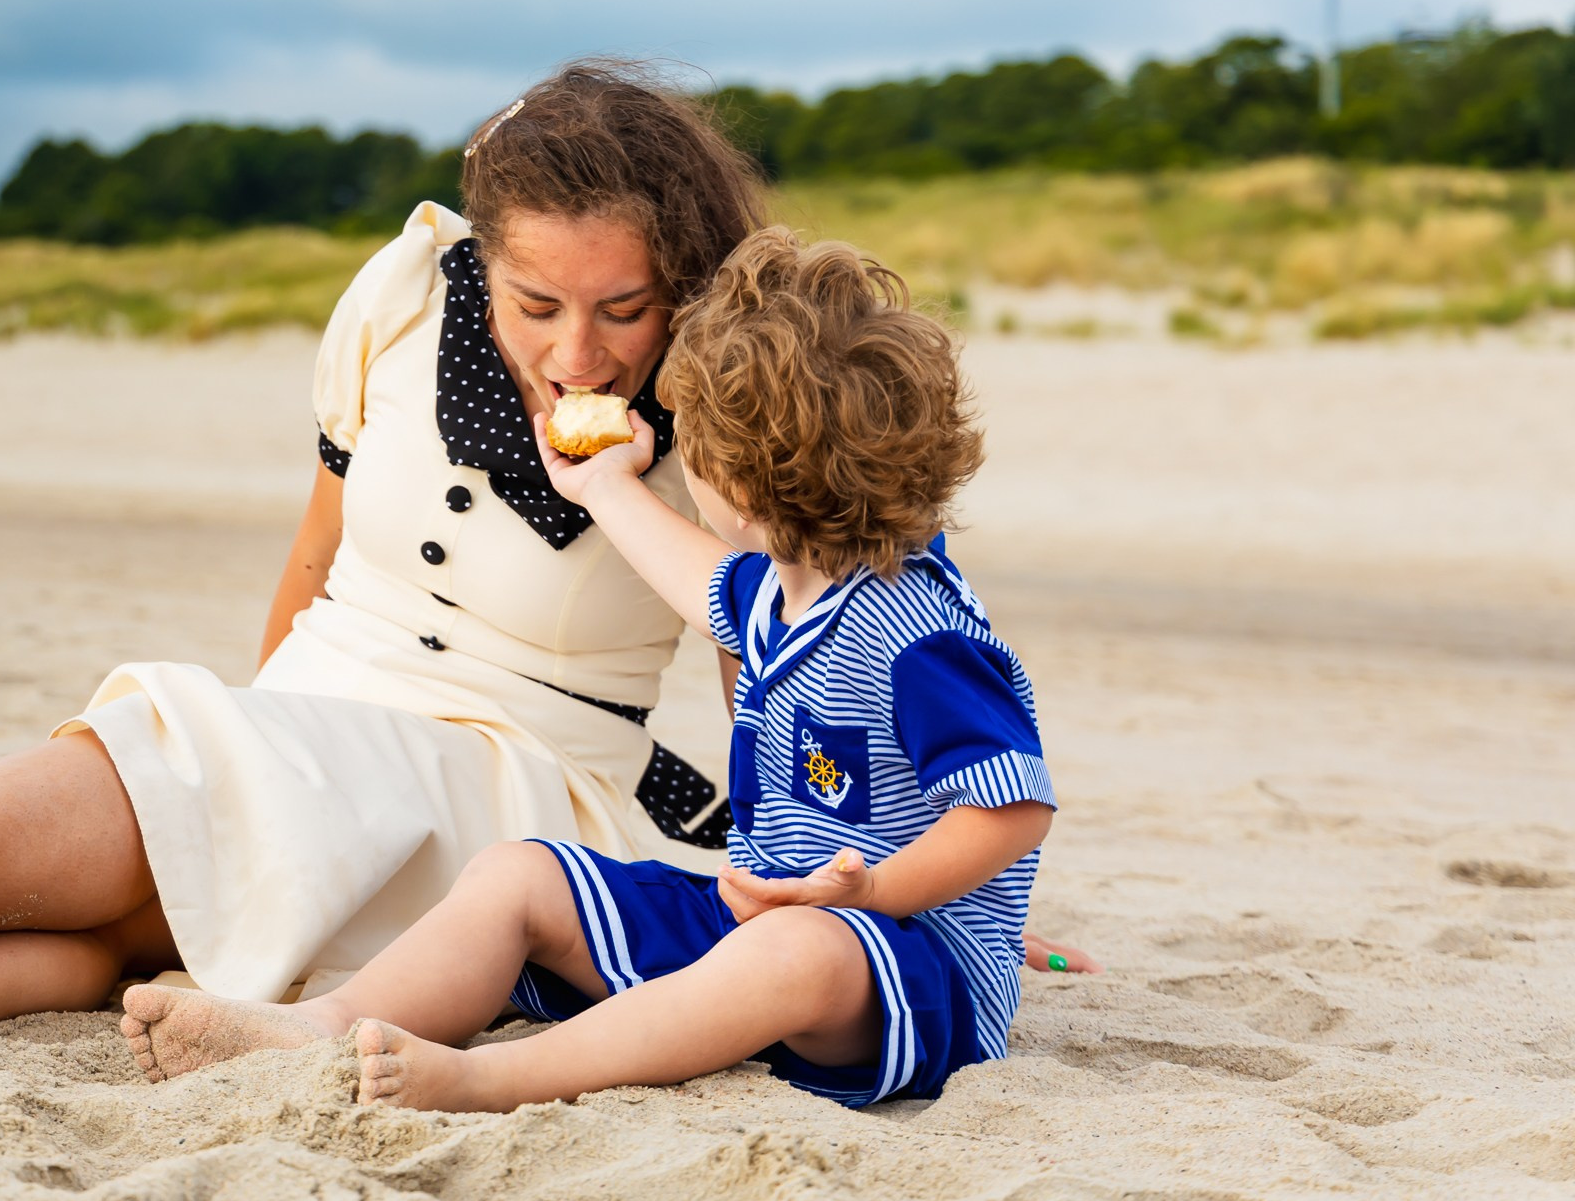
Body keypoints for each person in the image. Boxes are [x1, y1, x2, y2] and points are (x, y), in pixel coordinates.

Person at [0, 65, 1088, 1062]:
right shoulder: (401, 304)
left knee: (223, 782)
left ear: (681, 283)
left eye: (625, 307)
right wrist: (257, 710)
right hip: (331, 688)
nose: (578, 346)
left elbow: (824, 660)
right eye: (537, 301)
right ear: (485, 258)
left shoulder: (739, 403)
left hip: (525, 759)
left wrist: (919, 883)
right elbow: (316, 552)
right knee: (220, 775)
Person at [118, 228, 1056, 1111]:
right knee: (520, 874)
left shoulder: (919, 634)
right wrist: (604, 483)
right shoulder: (787, 584)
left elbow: (1013, 806)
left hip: (906, 969)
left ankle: (494, 1078)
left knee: (796, 951)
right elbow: (700, 580)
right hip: (760, 917)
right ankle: (321, 1027)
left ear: (743, 486)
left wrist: (873, 891)